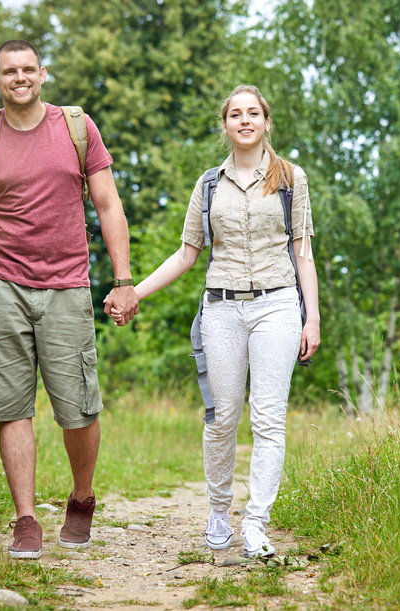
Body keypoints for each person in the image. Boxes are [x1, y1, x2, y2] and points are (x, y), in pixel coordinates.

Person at [0, 39, 139, 560]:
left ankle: (81, 497)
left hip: (68, 285)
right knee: (11, 404)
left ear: (43, 74)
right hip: (0, 283)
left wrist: (123, 280)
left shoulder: (77, 128)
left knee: (79, 407)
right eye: (10, 71)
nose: (20, 77)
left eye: (28, 69)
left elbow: (108, 204)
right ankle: (25, 519)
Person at [120, 85, 320, 558]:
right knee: (223, 417)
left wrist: (312, 318)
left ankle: (256, 523)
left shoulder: (291, 178)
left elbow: (303, 253)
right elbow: (186, 254)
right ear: (225, 125)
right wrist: (134, 291)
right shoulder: (209, 183)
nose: (245, 120)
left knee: (269, 418)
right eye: (235, 114)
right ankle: (217, 510)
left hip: (277, 306)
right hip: (222, 308)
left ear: (267, 122)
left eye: (254, 113)